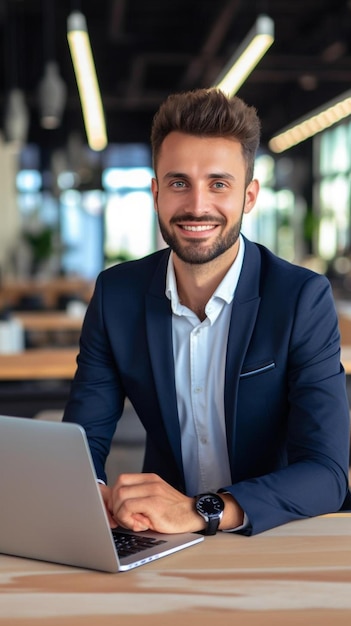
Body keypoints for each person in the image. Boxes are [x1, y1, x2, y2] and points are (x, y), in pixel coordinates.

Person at [63, 88, 351, 536]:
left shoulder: (300, 299)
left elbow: (327, 474)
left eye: (219, 183)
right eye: (179, 183)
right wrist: (89, 489)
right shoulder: (115, 295)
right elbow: (83, 439)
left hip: (277, 532)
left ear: (249, 196)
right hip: (159, 536)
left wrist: (203, 510)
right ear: (156, 192)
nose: (197, 206)